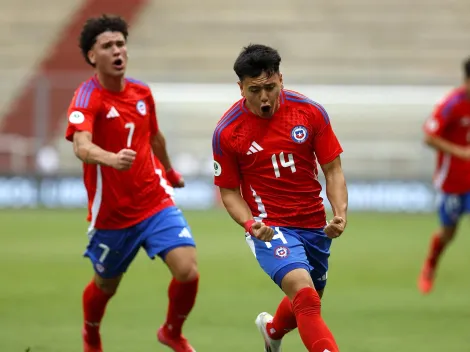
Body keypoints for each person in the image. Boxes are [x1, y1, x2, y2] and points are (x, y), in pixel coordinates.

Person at [65, 15, 198, 352]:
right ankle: (91, 334)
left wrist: (168, 171)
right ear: (92, 56)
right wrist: (111, 158)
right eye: (107, 46)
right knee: (105, 285)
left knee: (188, 269)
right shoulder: (87, 97)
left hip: (154, 200)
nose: (117, 50)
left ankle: (171, 331)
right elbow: (81, 145)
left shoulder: (141, 92)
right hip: (112, 214)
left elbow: (154, 136)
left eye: (121, 43)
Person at [212, 44, 348, 352]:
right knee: (306, 296)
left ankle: (272, 329)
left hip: (313, 224)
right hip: (270, 227)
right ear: (241, 87)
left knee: (308, 297)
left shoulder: (310, 112)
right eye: (254, 89)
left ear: (281, 80)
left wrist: (339, 212)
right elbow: (229, 192)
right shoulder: (227, 131)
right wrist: (251, 223)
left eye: (270, 87)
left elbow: (333, 170)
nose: (264, 98)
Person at [418, 57, 470, 295]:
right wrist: (459, 151)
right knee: (449, 231)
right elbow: (428, 137)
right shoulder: (451, 104)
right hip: (453, 181)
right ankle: (430, 265)